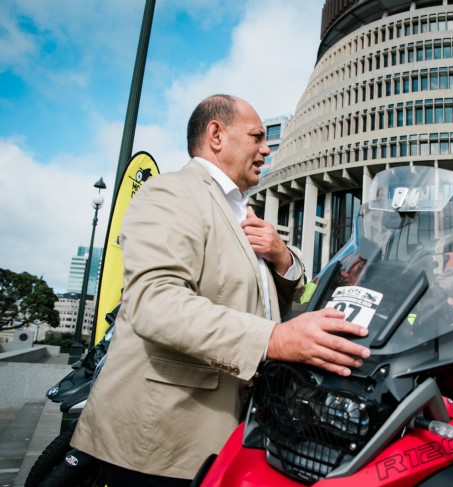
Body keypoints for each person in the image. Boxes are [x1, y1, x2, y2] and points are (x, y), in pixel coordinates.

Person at [70, 94, 371, 485]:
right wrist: (274, 339)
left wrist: (282, 258)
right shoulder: (172, 192)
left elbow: (259, 301)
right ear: (216, 135)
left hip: (227, 439)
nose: (266, 149)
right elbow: (155, 303)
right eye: (257, 137)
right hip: (161, 446)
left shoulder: (242, 211)